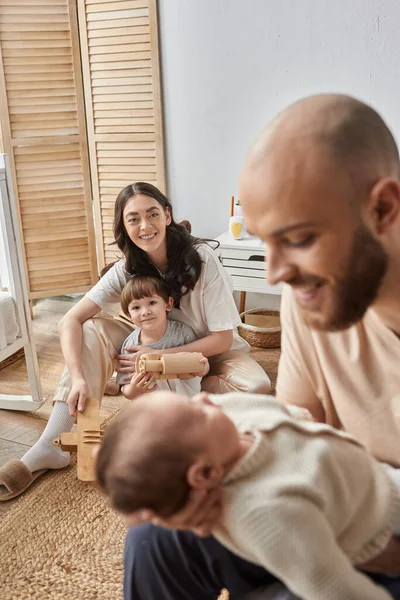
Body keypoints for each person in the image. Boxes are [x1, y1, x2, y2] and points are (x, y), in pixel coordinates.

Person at [119, 95, 400, 599]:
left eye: (298, 238)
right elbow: (293, 428)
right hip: (341, 503)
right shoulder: (313, 300)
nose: (275, 273)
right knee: (155, 539)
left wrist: (344, 545)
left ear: (383, 208)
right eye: (266, 241)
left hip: (379, 536)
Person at [0, 182, 270, 501]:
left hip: (210, 352)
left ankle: (159, 398)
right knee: (90, 331)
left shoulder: (202, 259)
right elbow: (68, 319)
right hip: (146, 350)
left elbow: (223, 338)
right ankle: (50, 444)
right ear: (124, 227)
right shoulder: (126, 269)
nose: (145, 226)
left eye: (152, 214)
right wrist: (77, 379)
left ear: (167, 215)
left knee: (256, 386)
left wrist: (164, 359)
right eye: (133, 219)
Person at [97, 390, 400, 600]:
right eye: (198, 412)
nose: (205, 398)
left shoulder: (226, 423)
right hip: (369, 529)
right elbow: (332, 587)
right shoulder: (265, 512)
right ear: (204, 474)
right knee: (149, 537)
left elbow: (282, 411)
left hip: (379, 479)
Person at [117, 274, 201, 398]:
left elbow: (199, 367)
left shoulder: (182, 333)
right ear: (128, 315)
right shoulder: (131, 346)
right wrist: (134, 389)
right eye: (136, 307)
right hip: (154, 403)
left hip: (185, 399)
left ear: (168, 304)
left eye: (152, 302)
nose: (146, 312)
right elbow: (126, 389)